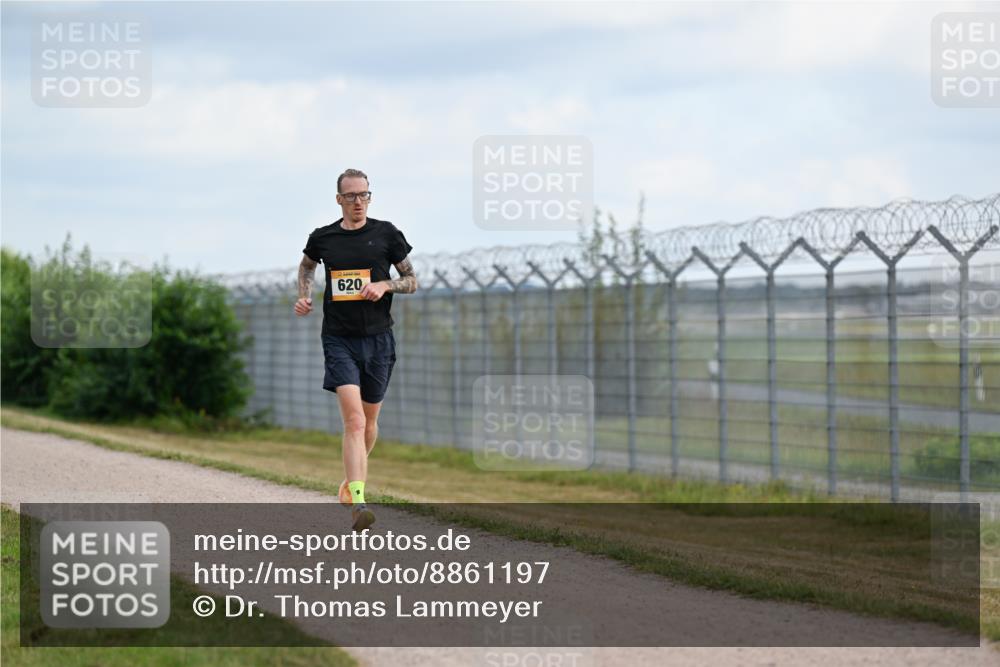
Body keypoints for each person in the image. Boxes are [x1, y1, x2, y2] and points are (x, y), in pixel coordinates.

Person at [294, 168, 417, 532]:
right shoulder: (323, 237)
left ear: (369, 197)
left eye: (364, 195)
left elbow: (412, 281)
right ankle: (359, 503)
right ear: (339, 200)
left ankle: (350, 482)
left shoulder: (386, 234)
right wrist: (304, 296)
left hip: (379, 339)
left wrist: (385, 286)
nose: (358, 202)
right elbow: (306, 267)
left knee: (370, 422)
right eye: (351, 196)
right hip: (338, 338)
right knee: (354, 421)